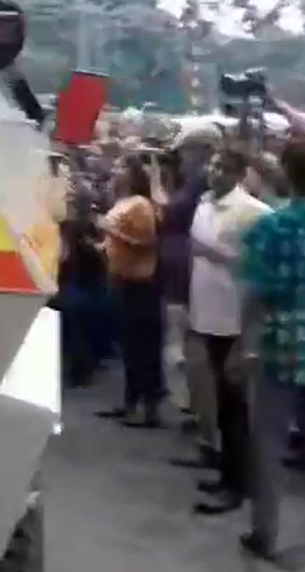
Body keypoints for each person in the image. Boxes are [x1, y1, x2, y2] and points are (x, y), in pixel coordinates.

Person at [188, 148, 271, 515]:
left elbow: (261, 265)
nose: (215, 172)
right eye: (214, 165)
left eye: (224, 168)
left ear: (238, 174)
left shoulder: (254, 212)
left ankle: (239, 484)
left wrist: (219, 255)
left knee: (236, 407)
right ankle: (228, 474)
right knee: (223, 403)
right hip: (207, 314)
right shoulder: (205, 203)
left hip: (235, 320)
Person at [239, 135, 305, 561]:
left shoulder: (272, 228)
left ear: (287, 173)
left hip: (282, 345)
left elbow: (255, 295)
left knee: (270, 443)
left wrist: (243, 347)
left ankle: (266, 533)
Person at [161, 125, 223, 469]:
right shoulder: (191, 183)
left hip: (190, 277)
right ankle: (201, 418)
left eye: (185, 150)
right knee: (186, 349)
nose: (181, 157)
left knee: (191, 352)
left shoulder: (202, 184)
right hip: (181, 273)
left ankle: (205, 424)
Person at [96, 154, 163, 427]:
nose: (114, 171)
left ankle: (148, 407)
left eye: (120, 167)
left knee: (142, 346)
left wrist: (111, 231)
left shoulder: (140, 205)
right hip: (122, 279)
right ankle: (131, 401)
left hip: (140, 283)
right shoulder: (122, 202)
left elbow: (145, 242)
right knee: (130, 345)